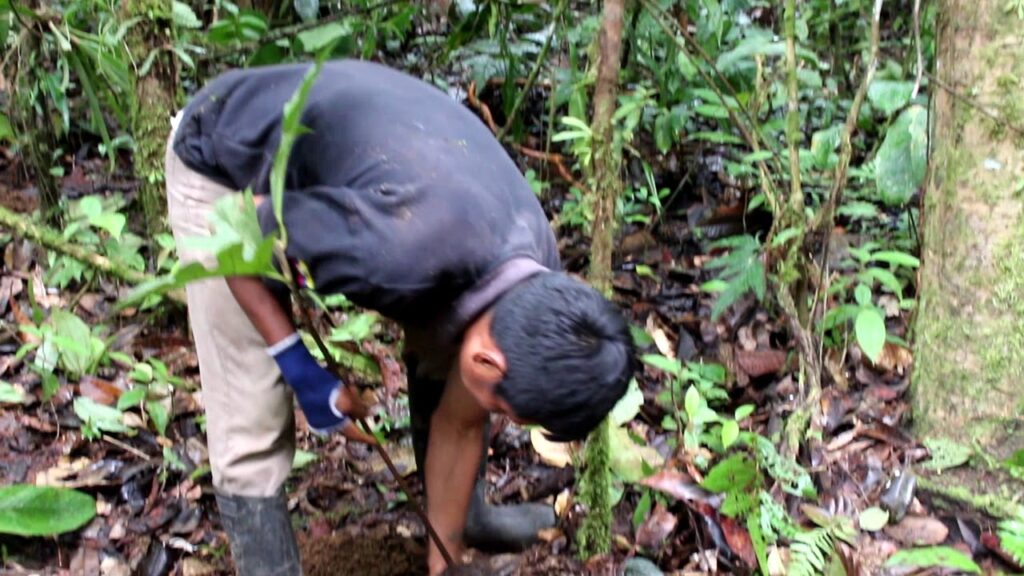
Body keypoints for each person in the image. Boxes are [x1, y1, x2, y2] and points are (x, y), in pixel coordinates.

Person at [165, 59, 636, 575]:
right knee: (251, 407)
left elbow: (461, 419)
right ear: (486, 359)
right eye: (510, 411)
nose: (501, 419)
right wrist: (298, 366)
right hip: (223, 163)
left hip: (390, 168)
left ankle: (458, 530)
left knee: (448, 382)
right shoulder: (392, 256)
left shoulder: (537, 275)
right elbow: (239, 236)